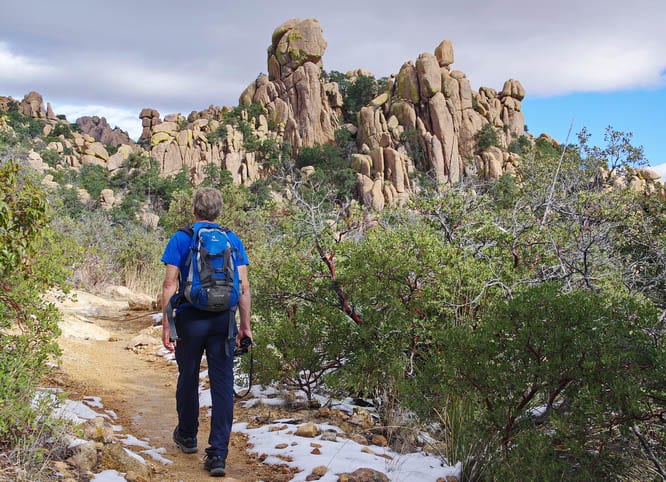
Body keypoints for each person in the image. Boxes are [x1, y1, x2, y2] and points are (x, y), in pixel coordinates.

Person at [161, 187, 252, 477]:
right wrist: (246, 326)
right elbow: (244, 288)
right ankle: (217, 456)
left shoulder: (182, 238)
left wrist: (167, 324)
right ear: (219, 211)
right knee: (222, 385)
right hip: (223, 321)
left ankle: (187, 436)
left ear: (194, 210)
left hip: (190, 320)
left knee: (188, 376)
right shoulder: (232, 240)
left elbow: (169, 285)